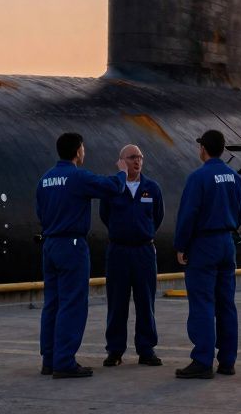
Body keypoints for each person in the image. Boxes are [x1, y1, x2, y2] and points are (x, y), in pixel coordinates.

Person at [36, 132, 126, 379]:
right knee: (72, 303)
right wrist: (122, 171)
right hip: (72, 245)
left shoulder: (44, 179)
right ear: (77, 152)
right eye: (83, 149)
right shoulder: (77, 176)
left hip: (51, 243)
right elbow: (113, 188)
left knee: (52, 304)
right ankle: (64, 362)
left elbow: (40, 213)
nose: (84, 152)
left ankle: (50, 359)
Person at [173, 129, 241, 380]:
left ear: (203, 149)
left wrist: (181, 246)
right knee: (226, 303)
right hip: (227, 242)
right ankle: (228, 360)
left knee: (202, 303)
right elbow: (240, 213)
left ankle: (202, 361)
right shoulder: (234, 177)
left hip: (204, 245)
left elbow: (188, 215)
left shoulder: (199, 177)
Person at [100, 144, 165, 368]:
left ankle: (146, 349)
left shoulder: (152, 188)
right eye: (132, 157)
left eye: (140, 157)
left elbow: (158, 217)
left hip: (144, 251)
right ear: (121, 161)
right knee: (117, 302)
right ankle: (115, 350)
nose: (137, 161)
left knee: (145, 301)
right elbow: (104, 216)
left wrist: (141, 233)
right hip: (118, 250)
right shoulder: (112, 187)